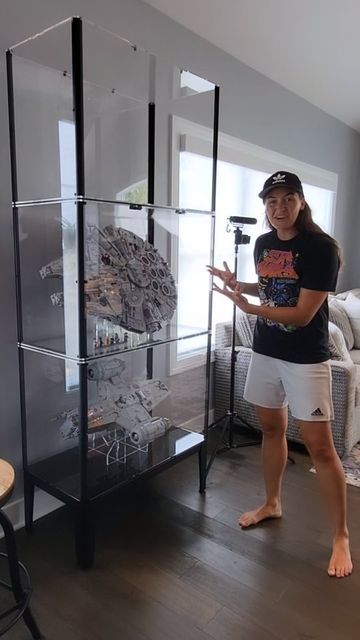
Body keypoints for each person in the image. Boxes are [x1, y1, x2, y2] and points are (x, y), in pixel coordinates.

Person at [208, 170, 352, 578]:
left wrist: (251, 311)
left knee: (321, 449)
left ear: (302, 202)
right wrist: (243, 286)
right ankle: (272, 503)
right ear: (265, 206)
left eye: (289, 199)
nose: (280, 208)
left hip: (306, 359)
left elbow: (304, 313)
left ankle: (340, 535)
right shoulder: (264, 243)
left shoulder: (321, 248)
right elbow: (275, 287)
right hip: (266, 352)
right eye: (272, 201)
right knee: (271, 430)